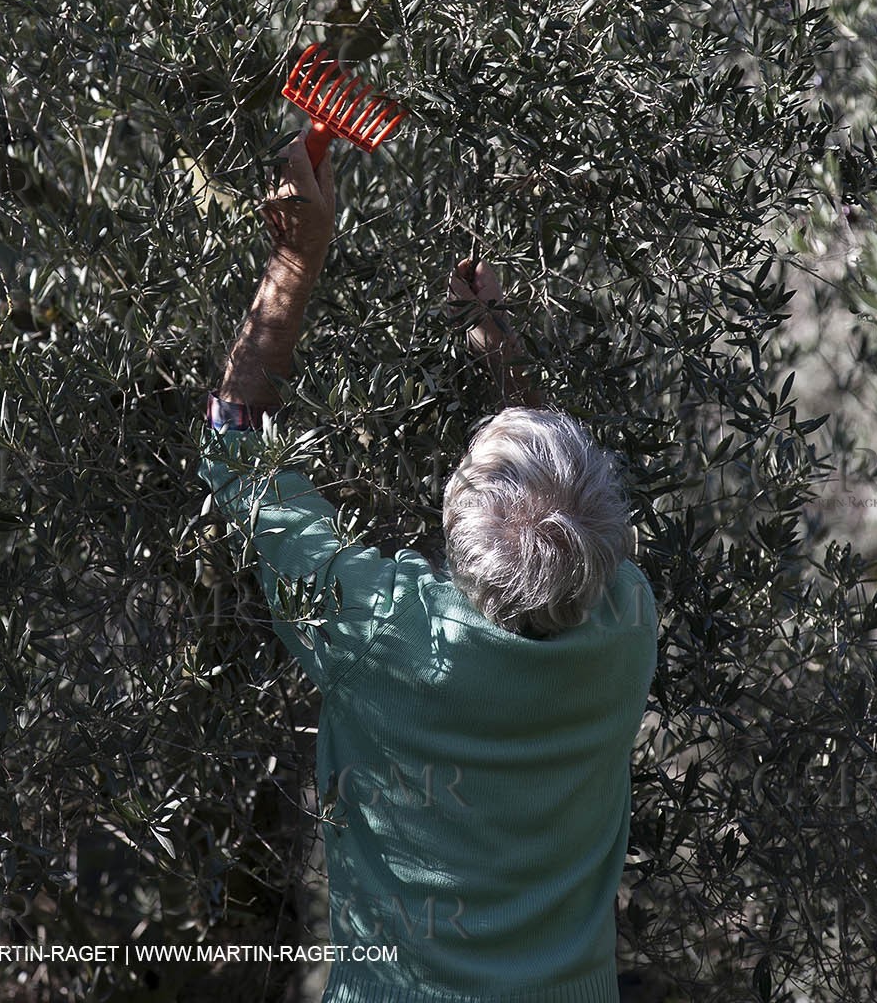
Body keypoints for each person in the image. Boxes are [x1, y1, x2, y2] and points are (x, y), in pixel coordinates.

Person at [198, 127, 659, 1003]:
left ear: (454, 539)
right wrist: (497, 343)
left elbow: (233, 439)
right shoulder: (625, 626)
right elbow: (567, 528)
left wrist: (299, 258)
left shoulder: (378, 632)